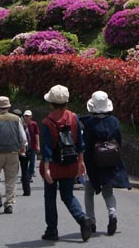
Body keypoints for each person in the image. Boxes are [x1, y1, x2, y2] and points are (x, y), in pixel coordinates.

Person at [40, 85, 92, 242]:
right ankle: (82, 218)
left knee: (50, 197)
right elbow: (80, 142)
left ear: (51, 103)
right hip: (71, 163)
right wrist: (81, 162)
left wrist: (47, 169)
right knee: (67, 195)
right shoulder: (74, 117)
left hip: (54, 166)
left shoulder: (47, 122)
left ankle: (52, 230)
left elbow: (47, 148)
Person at [81, 91, 131, 235]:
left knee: (89, 192)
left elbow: (87, 145)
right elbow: (119, 141)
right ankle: (112, 214)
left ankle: (91, 221)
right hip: (110, 161)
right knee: (108, 192)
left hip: (93, 163)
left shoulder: (89, 123)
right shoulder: (114, 122)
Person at [0, 96, 27, 214]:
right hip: (13, 152)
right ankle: (9, 203)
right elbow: (22, 136)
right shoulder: (16, 119)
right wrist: (23, 146)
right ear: (8, 107)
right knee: (11, 179)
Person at [23, 110, 40, 184]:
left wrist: (38, 145)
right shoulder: (21, 124)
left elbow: (37, 134)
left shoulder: (34, 124)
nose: (27, 117)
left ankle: (29, 176)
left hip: (32, 145)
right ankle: (25, 176)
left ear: (31, 116)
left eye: (28, 116)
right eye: (25, 116)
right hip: (24, 146)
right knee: (25, 162)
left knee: (32, 162)